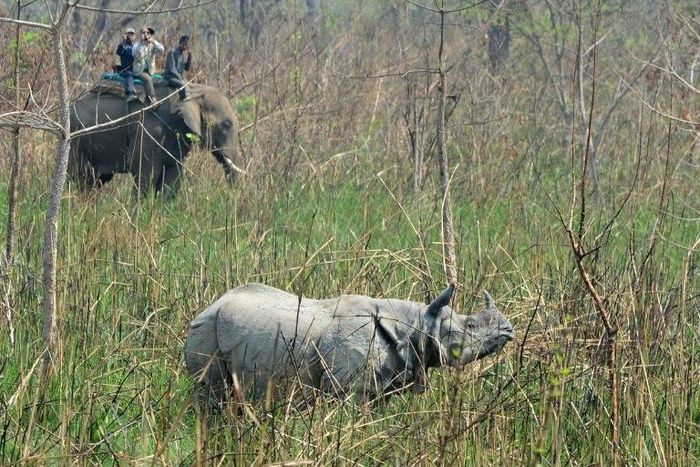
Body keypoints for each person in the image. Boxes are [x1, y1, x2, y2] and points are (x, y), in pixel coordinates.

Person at [132, 26, 164, 105]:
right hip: (139, 70)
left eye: (147, 33)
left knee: (164, 73)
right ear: (140, 34)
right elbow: (134, 53)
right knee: (147, 78)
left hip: (150, 70)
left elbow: (162, 49)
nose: (146, 35)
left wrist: (153, 42)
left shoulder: (152, 44)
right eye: (143, 33)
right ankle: (153, 99)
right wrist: (141, 43)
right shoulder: (137, 44)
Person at [115, 27, 138, 102]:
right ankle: (130, 93)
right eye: (128, 34)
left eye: (132, 34)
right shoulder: (123, 46)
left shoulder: (137, 46)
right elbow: (118, 52)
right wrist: (123, 42)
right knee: (129, 74)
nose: (130, 36)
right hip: (125, 70)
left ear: (135, 36)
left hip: (136, 70)